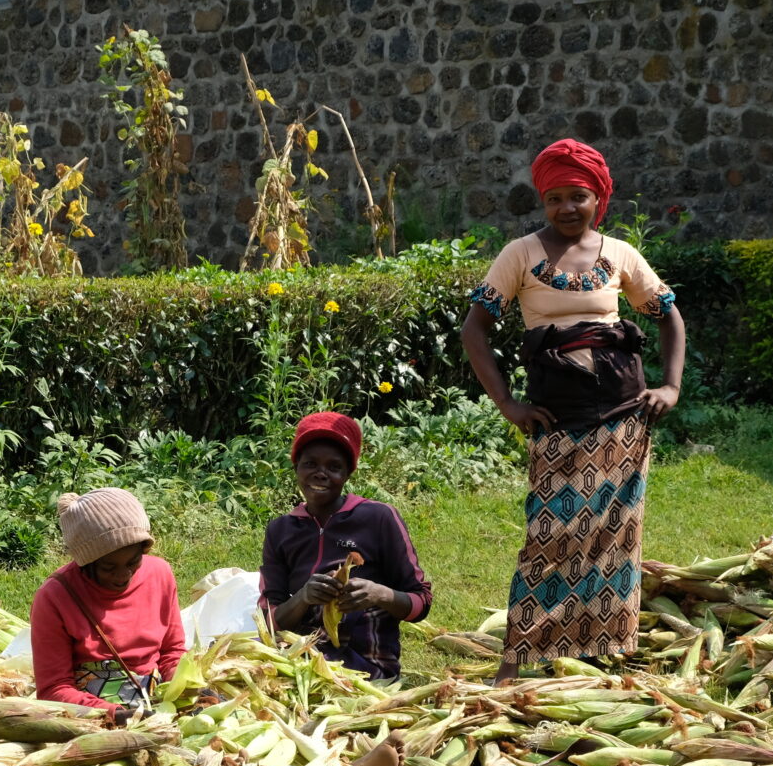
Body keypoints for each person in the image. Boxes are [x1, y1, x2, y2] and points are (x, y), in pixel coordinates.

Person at [459, 138, 686, 683]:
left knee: (615, 535)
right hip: (559, 417)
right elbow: (474, 330)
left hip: (624, 417)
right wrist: (508, 403)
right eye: (554, 197)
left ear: (597, 200)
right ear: (543, 201)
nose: (566, 207)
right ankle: (516, 659)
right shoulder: (520, 255)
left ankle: (601, 649)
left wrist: (671, 386)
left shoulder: (621, 254)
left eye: (578, 196)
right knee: (550, 534)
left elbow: (669, 316)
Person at [260, 411, 434, 680]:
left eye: (334, 467)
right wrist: (304, 597)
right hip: (295, 659)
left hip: (365, 667)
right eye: (310, 464)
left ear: (348, 473)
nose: (320, 474)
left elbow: (421, 602)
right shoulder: (280, 530)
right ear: (296, 467)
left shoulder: (378, 517)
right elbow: (269, 621)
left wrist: (380, 594)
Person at [30, 489, 185, 718]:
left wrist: (186, 686)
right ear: (85, 562)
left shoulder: (159, 573)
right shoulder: (55, 597)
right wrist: (115, 714)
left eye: (133, 562)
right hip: (91, 712)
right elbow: (53, 689)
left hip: (156, 700)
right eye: (108, 568)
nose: (123, 575)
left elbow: (172, 651)